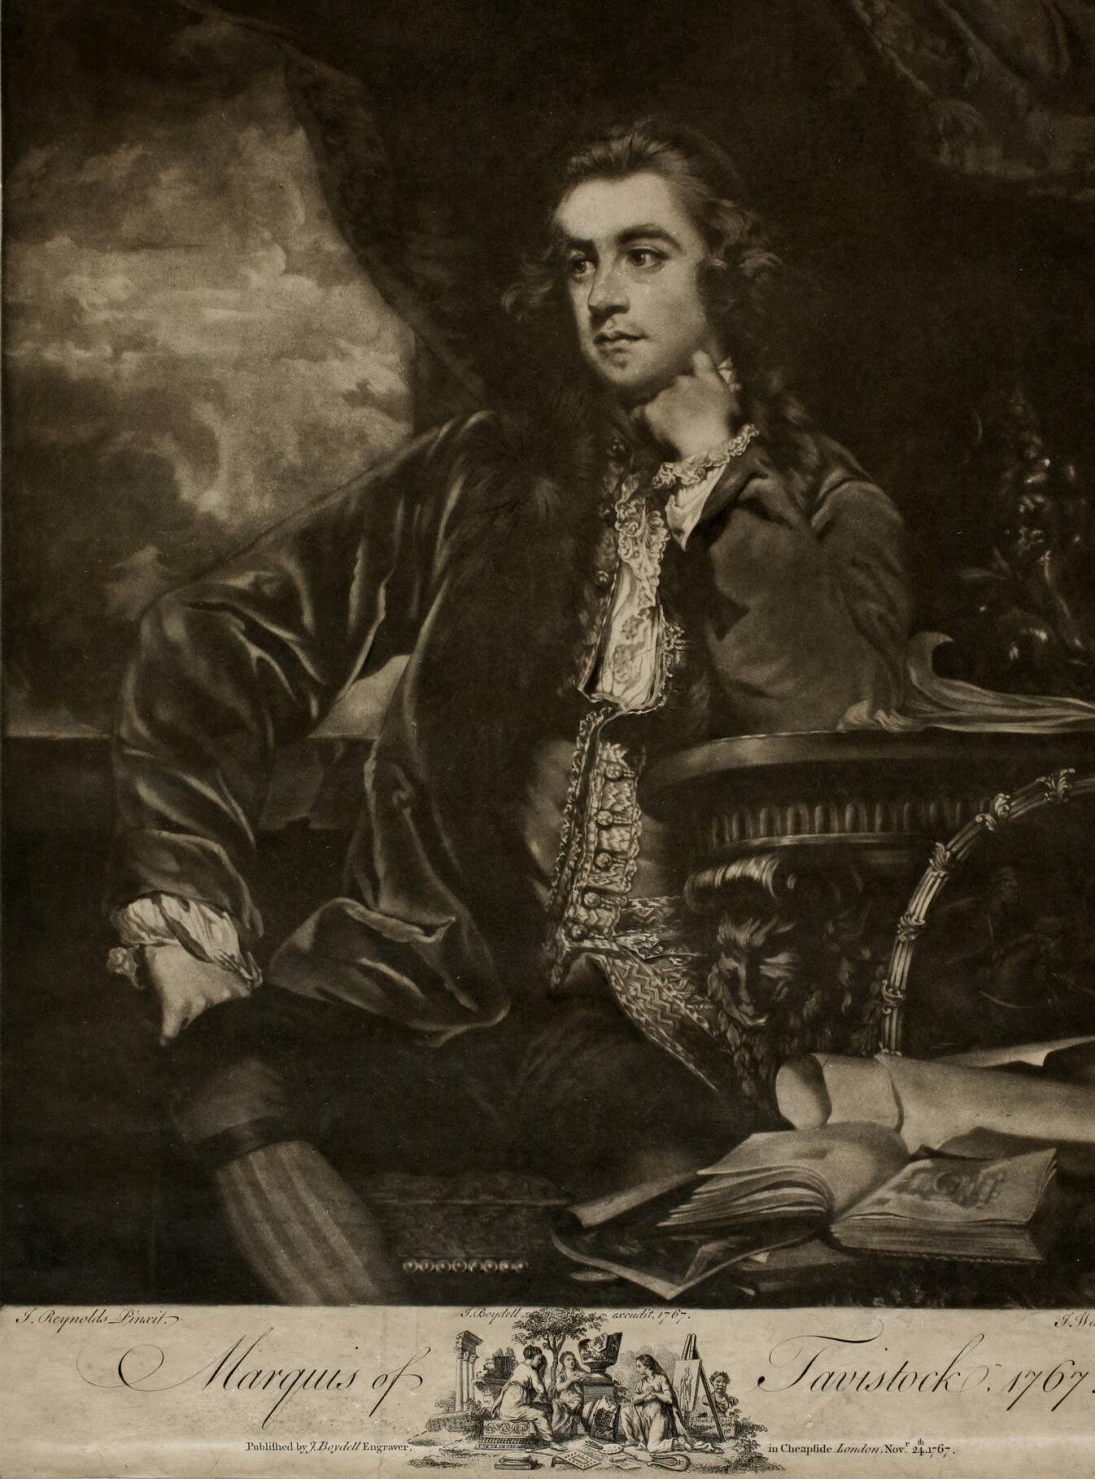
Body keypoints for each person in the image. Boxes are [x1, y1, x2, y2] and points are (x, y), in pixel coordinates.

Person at [105, 117, 912, 1302]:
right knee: (222, 1075)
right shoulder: (483, 474)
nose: (605, 296)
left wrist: (717, 474)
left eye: (644, 254)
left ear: (727, 276)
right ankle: (374, 1394)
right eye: (580, 262)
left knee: (679, 1178)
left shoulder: (827, 505)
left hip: (677, 1030)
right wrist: (187, 917)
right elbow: (210, 636)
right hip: (430, 990)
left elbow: (839, 723)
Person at [618, 1355, 689, 1451]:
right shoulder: (641, 1382)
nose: (637, 1369)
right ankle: (633, 1441)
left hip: (659, 1416)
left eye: (639, 1366)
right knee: (624, 1412)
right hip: (644, 1416)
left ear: (647, 1366)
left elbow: (669, 1399)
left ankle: (677, 1442)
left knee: (652, 1447)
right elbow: (634, 1399)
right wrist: (646, 1394)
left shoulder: (661, 1379)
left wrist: (655, 1394)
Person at [494, 1347, 554, 1442]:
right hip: (515, 1411)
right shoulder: (531, 1371)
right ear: (531, 1358)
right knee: (540, 1414)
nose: (539, 1362)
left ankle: (536, 1436)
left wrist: (495, 1405)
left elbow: (504, 1389)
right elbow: (540, 1390)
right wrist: (545, 1398)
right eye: (538, 1359)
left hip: (505, 1411)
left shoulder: (518, 1368)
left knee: (536, 1407)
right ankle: (550, 1441)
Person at [551, 1351, 589, 1441]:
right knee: (555, 1402)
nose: (571, 1361)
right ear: (563, 1362)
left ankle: (564, 1432)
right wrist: (570, 1380)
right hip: (563, 1399)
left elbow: (588, 1377)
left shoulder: (578, 1373)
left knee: (573, 1405)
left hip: (575, 1399)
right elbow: (558, 1388)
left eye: (573, 1359)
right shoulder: (561, 1375)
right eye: (568, 1359)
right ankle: (556, 1431)